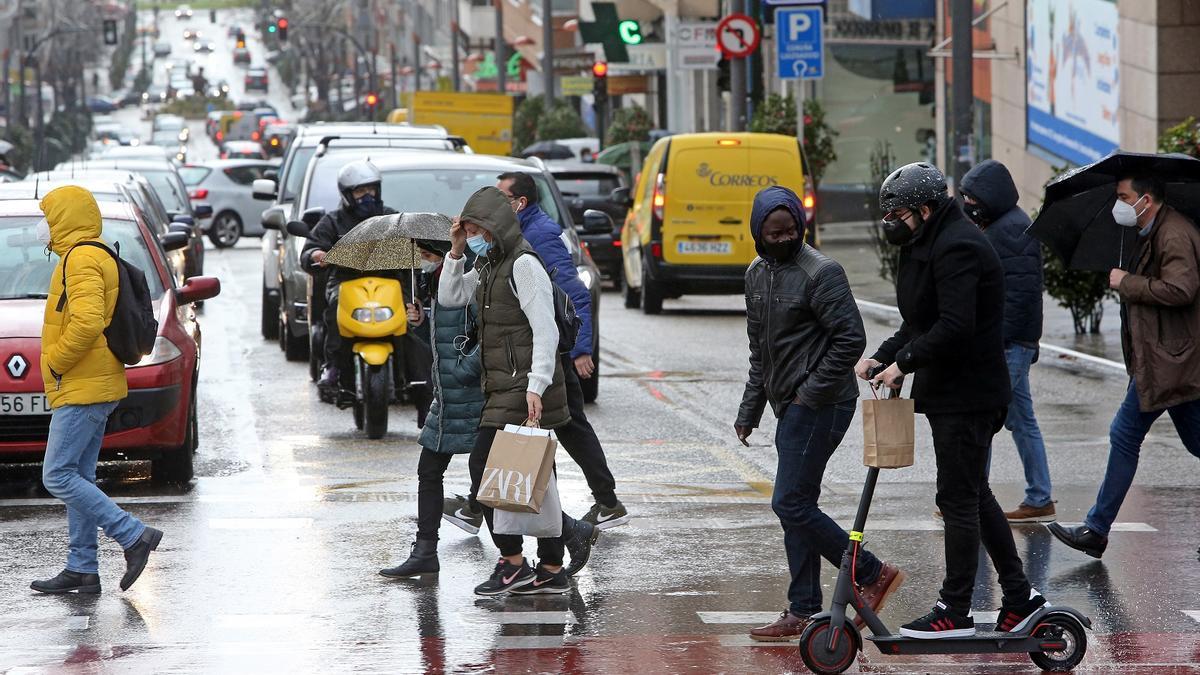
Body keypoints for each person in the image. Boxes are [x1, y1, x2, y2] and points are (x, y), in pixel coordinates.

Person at [857, 163, 1046, 639]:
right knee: (974, 496)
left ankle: (955, 610)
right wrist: (882, 357)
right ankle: (1021, 599)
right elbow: (921, 319)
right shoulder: (926, 242)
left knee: (958, 498)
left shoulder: (959, 245)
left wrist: (905, 364)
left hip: (970, 393)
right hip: (952, 393)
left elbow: (956, 325)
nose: (891, 222)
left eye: (897, 213)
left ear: (924, 208)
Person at [735, 186, 906, 641]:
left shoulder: (822, 272)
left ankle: (870, 572)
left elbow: (850, 340)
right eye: (774, 233)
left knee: (788, 501)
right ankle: (805, 608)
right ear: (758, 233)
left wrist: (809, 393)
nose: (785, 238)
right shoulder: (756, 273)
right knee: (798, 503)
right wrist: (750, 408)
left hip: (823, 402)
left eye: (792, 229)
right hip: (788, 403)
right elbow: (761, 350)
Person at [441, 172, 629, 532]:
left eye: (500, 196)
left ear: (517, 204)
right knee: (539, 448)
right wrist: (455, 252)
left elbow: (571, 293)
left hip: (542, 360)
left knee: (548, 437)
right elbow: (453, 296)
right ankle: (558, 538)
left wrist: (581, 349)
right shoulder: (492, 254)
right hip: (516, 366)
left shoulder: (538, 238)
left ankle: (585, 516)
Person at [438, 186, 595, 595]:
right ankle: (553, 565)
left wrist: (537, 385)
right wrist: (456, 252)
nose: (470, 233)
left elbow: (546, 328)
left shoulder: (523, 265)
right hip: (505, 385)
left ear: (495, 226)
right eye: (466, 227)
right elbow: (450, 296)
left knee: (484, 473)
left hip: (523, 385)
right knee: (538, 479)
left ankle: (512, 563)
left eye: (475, 228)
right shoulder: (489, 263)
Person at [1049, 174, 1200, 559]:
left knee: (1124, 433)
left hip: (1172, 360)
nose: (1119, 204)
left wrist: (1127, 282)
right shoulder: (1152, 231)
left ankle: (1097, 529)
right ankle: (1096, 530)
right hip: (1166, 358)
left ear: (1145, 199)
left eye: (1123, 196)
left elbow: (1182, 290)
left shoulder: (1174, 234)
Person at [30, 186, 162, 595]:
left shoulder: (82, 257)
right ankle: (82, 568)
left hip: (83, 383)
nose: (44, 227)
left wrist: (55, 361)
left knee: (57, 474)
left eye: (49, 218)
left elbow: (86, 322)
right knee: (78, 474)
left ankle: (133, 535)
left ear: (64, 219)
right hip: (93, 381)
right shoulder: (88, 252)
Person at [379, 241, 484, 578]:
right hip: (447, 397)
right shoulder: (439, 284)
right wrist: (422, 321)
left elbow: (487, 337)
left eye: (427, 256)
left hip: (469, 397)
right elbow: (444, 341)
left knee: (488, 482)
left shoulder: (467, 281)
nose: (423, 262)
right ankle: (425, 550)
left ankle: (558, 537)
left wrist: (464, 370)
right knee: (430, 471)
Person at [960, 160, 1055, 522]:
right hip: (1013, 342)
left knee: (981, 415)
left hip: (1009, 344)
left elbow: (1019, 297)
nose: (968, 203)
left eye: (972, 196)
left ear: (991, 196)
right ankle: (1039, 495)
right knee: (1022, 419)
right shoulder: (1002, 225)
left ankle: (971, 496)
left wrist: (991, 343)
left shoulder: (1011, 230)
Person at [300, 160, 396, 403]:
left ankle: (422, 382)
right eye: (359, 191)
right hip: (345, 284)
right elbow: (309, 249)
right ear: (347, 194)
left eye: (370, 190)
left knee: (413, 319)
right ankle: (332, 369)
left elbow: (417, 247)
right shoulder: (332, 222)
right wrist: (316, 255)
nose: (366, 196)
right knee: (334, 312)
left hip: (389, 285)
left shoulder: (392, 218)